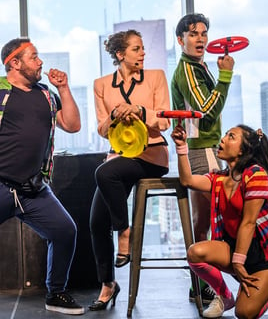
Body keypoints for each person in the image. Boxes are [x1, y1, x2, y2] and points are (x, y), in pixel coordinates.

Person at [171, 123, 268, 318]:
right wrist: (181, 146)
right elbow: (187, 181)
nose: (223, 139)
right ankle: (225, 296)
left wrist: (238, 264)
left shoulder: (256, 175)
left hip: (265, 256)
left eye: (231, 136)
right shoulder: (219, 179)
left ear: (243, 150)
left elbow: (249, 222)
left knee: (244, 313)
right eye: (226, 135)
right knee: (195, 253)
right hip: (237, 248)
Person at [0, 38, 84, 315]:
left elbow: (72, 125)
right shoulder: (1, 92)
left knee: (65, 231)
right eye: (34, 57)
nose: (40, 63)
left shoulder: (46, 94)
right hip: (1, 186)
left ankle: (56, 293)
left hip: (33, 189)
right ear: (15, 63)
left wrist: (64, 88)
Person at [88, 29, 170, 311]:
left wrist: (138, 110)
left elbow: (165, 120)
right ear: (120, 54)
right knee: (97, 222)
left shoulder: (156, 76)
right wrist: (114, 114)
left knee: (103, 173)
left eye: (143, 48)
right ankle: (108, 285)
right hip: (120, 156)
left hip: (152, 154)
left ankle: (125, 232)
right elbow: (101, 129)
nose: (143, 53)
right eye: (136, 49)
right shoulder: (101, 85)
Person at [171, 12, 235, 304]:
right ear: (180, 39)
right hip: (200, 148)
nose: (200, 39)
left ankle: (200, 283)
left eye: (204, 34)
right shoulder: (187, 70)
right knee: (211, 215)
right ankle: (209, 282)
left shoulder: (198, 66)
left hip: (206, 147)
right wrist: (225, 75)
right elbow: (207, 109)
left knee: (203, 219)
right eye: (193, 34)